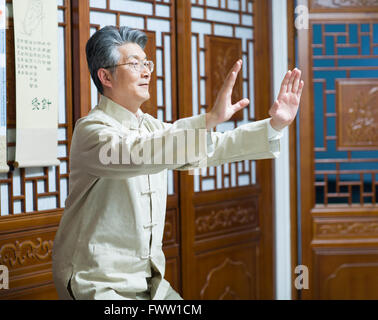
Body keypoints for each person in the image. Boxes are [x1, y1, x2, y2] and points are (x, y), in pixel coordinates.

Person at [52, 26, 303, 300]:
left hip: (150, 284)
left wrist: (274, 126)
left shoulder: (150, 126)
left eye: (146, 62)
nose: (146, 71)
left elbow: (210, 148)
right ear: (105, 76)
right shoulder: (91, 130)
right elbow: (139, 152)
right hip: (97, 283)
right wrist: (207, 120)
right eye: (134, 64)